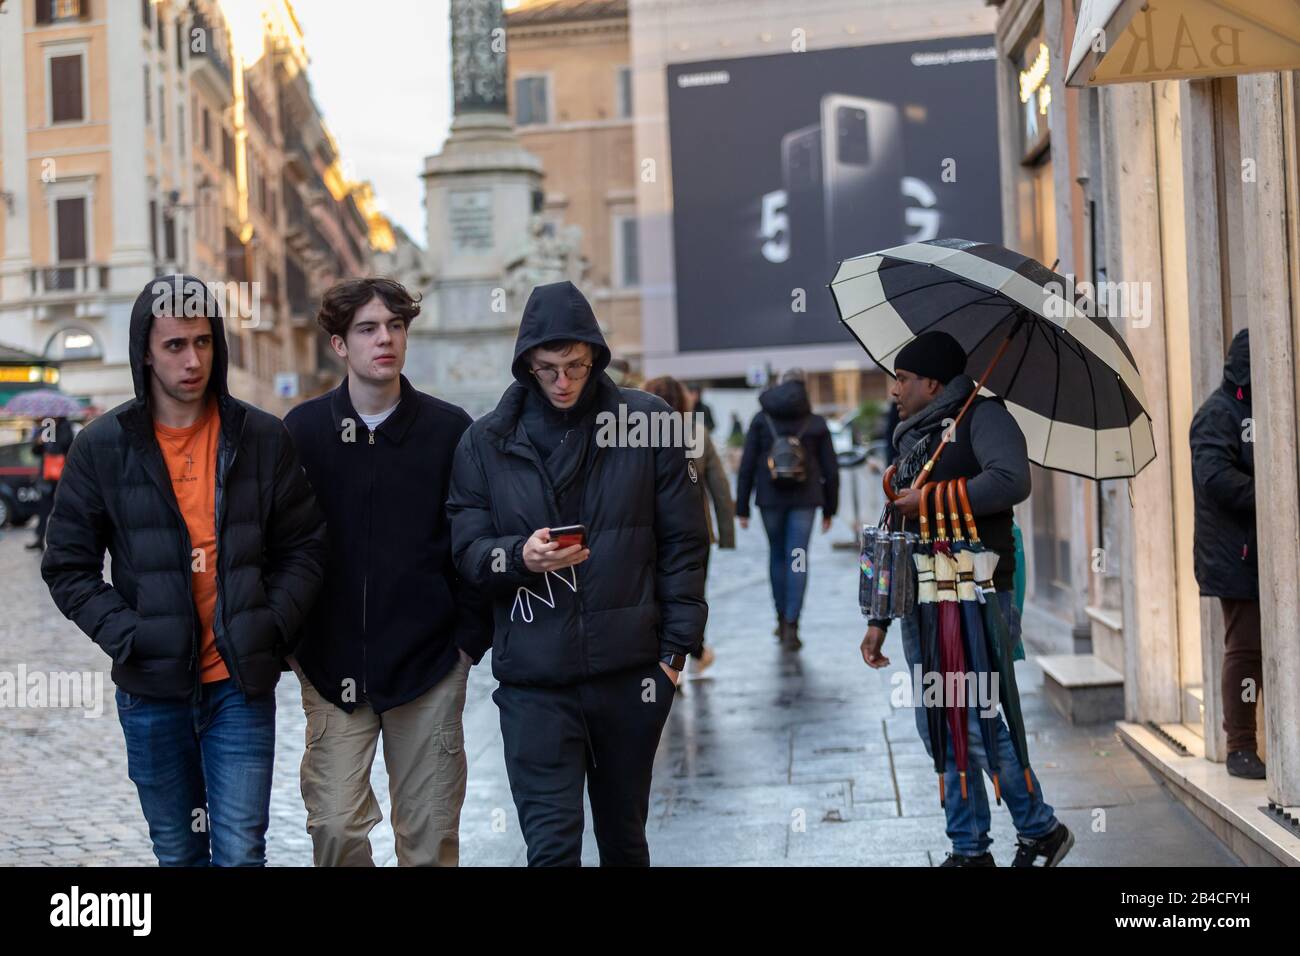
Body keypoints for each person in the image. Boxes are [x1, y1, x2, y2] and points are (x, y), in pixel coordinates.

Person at [41, 275, 327, 866]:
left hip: (239, 686)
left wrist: (269, 627)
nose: (192, 359)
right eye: (175, 345)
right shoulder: (102, 446)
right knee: (177, 851)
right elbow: (68, 566)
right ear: (144, 348)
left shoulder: (261, 437)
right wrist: (130, 635)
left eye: (203, 342)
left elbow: (306, 547)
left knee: (243, 851)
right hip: (151, 688)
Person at [447, 280, 707, 866]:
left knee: (624, 841)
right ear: (525, 367)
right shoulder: (484, 441)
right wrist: (518, 556)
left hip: (631, 673)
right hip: (533, 683)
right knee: (551, 849)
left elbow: (686, 543)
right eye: (547, 369)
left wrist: (674, 655)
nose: (563, 381)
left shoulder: (651, 422)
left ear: (595, 358)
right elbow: (466, 552)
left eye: (575, 366)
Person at [282, 277, 494, 867]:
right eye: (369, 329)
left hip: (429, 667)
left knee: (428, 843)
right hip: (331, 670)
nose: (386, 340)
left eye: (396, 327)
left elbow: (472, 538)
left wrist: (467, 643)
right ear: (339, 345)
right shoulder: (301, 432)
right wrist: (293, 643)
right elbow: (279, 543)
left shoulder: (449, 431)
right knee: (334, 828)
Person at [859, 330, 1073, 867]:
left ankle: (1041, 829)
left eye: (903, 379)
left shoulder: (985, 418)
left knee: (972, 720)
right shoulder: (913, 436)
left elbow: (1011, 480)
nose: (895, 391)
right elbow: (898, 526)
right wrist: (879, 617)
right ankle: (970, 848)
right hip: (922, 598)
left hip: (976, 591)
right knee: (936, 721)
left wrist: (927, 498)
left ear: (933, 382)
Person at [1190, 329, 1263, 780]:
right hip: (1233, 554)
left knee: (1251, 648)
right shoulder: (1219, 413)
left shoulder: (1252, 408)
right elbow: (1214, 478)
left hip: (1251, 550)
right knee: (1245, 649)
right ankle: (1239, 747)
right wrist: (1270, 492)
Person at [734, 369, 839, 649]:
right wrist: (830, 508)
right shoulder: (815, 422)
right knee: (798, 558)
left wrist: (741, 507)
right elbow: (831, 468)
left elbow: (746, 465)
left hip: (770, 500)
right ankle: (793, 623)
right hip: (806, 500)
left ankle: (780, 619)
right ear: (804, 388)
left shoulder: (761, 418)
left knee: (777, 558)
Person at [644, 375, 735, 678]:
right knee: (690, 596)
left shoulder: (636, 434)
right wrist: (726, 535)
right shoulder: (696, 433)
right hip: (694, 533)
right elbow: (719, 488)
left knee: (654, 594)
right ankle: (687, 656)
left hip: (648, 533)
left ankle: (663, 661)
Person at [27, 415, 74, 552]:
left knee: (64, 509)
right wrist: (39, 442)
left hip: (62, 475)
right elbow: (36, 452)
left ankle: (65, 540)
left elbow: (65, 447)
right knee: (43, 509)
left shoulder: (65, 427)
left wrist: (50, 440)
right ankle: (39, 538)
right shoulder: (46, 427)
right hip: (47, 476)